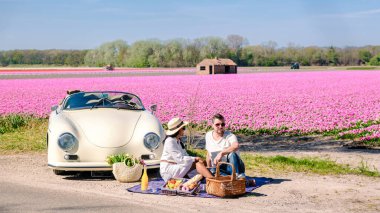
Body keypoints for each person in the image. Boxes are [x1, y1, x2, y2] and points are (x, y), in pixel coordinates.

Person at [160, 117, 213, 182]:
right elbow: (180, 159)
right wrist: (195, 158)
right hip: (168, 170)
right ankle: (213, 180)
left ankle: (203, 178)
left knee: (201, 162)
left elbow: (185, 155)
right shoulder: (170, 141)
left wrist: (197, 159)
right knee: (196, 163)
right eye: (183, 128)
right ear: (179, 130)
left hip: (176, 166)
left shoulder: (178, 140)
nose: (184, 130)